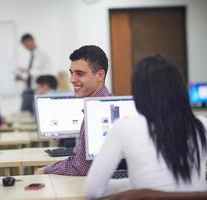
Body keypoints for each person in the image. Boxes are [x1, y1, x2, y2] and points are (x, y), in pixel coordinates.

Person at [85, 55, 207, 199]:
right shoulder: (201, 125)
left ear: (139, 93)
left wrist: (139, 189)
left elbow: (93, 191)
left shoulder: (124, 128)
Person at [34, 45, 112, 175]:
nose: (72, 80)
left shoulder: (97, 110)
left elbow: (79, 168)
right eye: (71, 73)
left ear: (99, 75)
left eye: (79, 74)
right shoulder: (103, 103)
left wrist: (45, 170)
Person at [16, 33, 51, 113]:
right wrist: (22, 78)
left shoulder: (43, 57)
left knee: (36, 114)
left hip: (37, 91)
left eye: (25, 44)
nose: (25, 47)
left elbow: (46, 74)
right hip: (27, 91)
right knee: (24, 115)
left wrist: (28, 71)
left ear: (31, 41)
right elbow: (30, 76)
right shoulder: (28, 56)